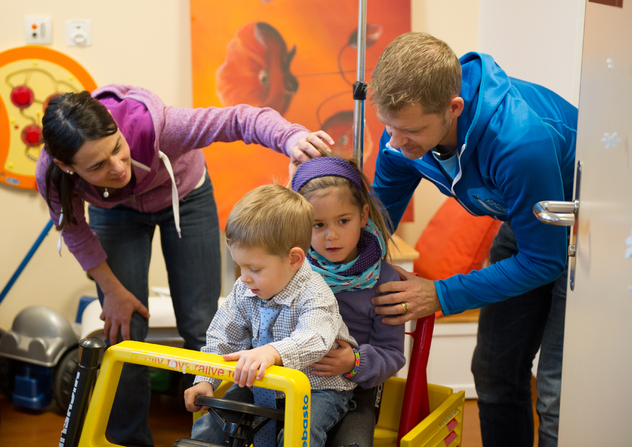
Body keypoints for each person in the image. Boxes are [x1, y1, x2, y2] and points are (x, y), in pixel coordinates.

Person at [36, 85, 333, 446]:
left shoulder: (163, 128)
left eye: (117, 148)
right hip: (115, 213)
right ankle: (129, 439)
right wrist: (113, 292)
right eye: (97, 166)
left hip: (185, 195)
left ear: (117, 127)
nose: (117, 167)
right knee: (124, 330)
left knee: (199, 320)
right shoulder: (52, 174)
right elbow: (76, 232)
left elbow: (239, 119)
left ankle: (208, 431)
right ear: (67, 168)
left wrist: (292, 137)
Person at [361, 32, 577, 447]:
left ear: (453, 108)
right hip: (526, 221)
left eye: (409, 131)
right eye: (389, 127)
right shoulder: (405, 138)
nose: (395, 143)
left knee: (555, 395)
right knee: (494, 371)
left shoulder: (519, 142)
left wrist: (440, 294)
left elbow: (544, 261)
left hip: (588, 236)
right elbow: (375, 225)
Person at [185, 184, 357, 447]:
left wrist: (273, 352)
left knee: (299, 435)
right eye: (239, 266)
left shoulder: (316, 294)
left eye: (254, 268)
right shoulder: (244, 289)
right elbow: (223, 337)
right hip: (259, 385)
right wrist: (205, 379)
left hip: (318, 388)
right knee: (211, 425)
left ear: (294, 259)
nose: (244, 277)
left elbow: (315, 337)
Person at [290, 156, 406, 447]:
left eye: (343, 220)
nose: (332, 235)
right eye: (318, 224)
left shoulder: (385, 282)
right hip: (296, 379)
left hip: (358, 388)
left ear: (363, 215)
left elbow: (392, 354)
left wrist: (353, 362)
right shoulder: (291, 271)